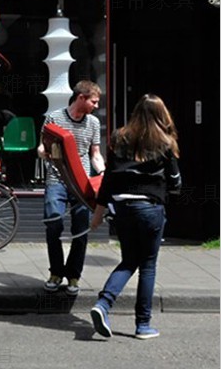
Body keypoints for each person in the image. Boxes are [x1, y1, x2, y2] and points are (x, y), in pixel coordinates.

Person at [89, 94, 181, 340]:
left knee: (129, 260)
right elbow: (175, 182)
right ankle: (143, 325)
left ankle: (103, 304)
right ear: (161, 115)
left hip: (122, 208)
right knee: (148, 265)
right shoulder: (165, 142)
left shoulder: (120, 137)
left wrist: (98, 213)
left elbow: (108, 179)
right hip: (150, 209)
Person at [37, 80, 105, 296]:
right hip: (56, 179)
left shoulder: (93, 123)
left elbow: (95, 153)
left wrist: (103, 174)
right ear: (81, 97)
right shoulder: (54, 118)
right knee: (53, 223)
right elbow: (41, 146)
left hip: (82, 182)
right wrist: (42, 152)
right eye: (94, 101)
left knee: (80, 230)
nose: (96, 105)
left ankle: (73, 276)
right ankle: (56, 272)